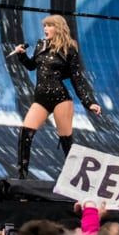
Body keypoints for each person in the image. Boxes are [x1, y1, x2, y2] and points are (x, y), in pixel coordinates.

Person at [8, 15, 101, 178]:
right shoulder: (40, 45)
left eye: (49, 26)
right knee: (25, 133)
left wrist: (89, 102)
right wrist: (22, 55)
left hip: (60, 98)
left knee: (65, 139)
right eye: (45, 26)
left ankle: (74, 178)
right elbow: (32, 66)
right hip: (41, 98)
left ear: (58, 28)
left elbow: (77, 79)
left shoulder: (69, 49)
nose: (45, 29)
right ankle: (22, 177)